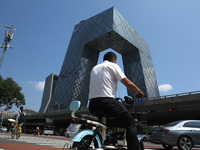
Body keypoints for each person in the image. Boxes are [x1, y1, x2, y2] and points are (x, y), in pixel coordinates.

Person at [88, 52, 144, 150]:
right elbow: (126, 81)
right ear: (114, 59)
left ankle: (104, 143)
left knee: (102, 125)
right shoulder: (112, 65)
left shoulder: (95, 68)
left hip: (92, 104)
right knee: (130, 122)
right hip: (107, 101)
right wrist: (138, 91)